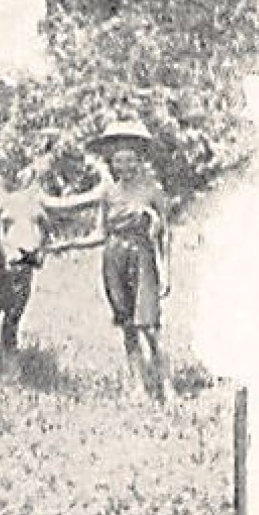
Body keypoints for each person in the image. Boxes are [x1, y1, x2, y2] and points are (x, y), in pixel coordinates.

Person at [50, 119, 172, 403]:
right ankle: (138, 387)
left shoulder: (152, 190)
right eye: (119, 161)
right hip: (113, 259)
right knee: (128, 327)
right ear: (112, 163)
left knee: (150, 327)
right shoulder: (107, 192)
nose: (125, 166)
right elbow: (100, 234)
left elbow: (164, 234)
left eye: (130, 160)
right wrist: (67, 244)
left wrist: (166, 272)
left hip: (142, 257)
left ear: (139, 160)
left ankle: (166, 385)